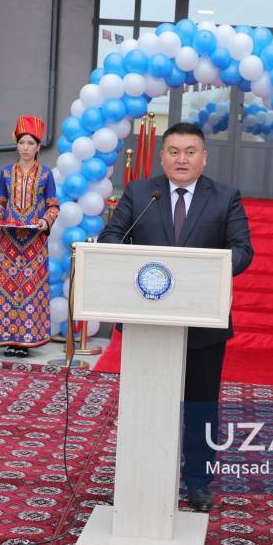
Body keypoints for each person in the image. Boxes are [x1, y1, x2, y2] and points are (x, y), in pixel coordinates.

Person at [99, 122, 254, 512]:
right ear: (162, 157)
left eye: (189, 152)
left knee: (200, 406)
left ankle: (197, 481)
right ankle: (138, 478)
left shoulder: (225, 197)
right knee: (144, 403)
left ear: (204, 157)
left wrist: (207, 269)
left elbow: (242, 250)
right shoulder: (140, 193)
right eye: (173, 151)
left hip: (203, 324)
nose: (181, 159)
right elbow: (111, 238)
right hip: (146, 323)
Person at [0, 115, 58, 357]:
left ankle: (26, 341)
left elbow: (53, 206)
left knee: (31, 290)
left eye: (30, 143)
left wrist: (45, 221)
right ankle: (7, 337)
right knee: (7, 288)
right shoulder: (6, 173)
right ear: (16, 145)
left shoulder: (46, 175)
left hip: (34, 243)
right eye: (21, 142)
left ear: (38, 147)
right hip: (9, 242)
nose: (25, 147)